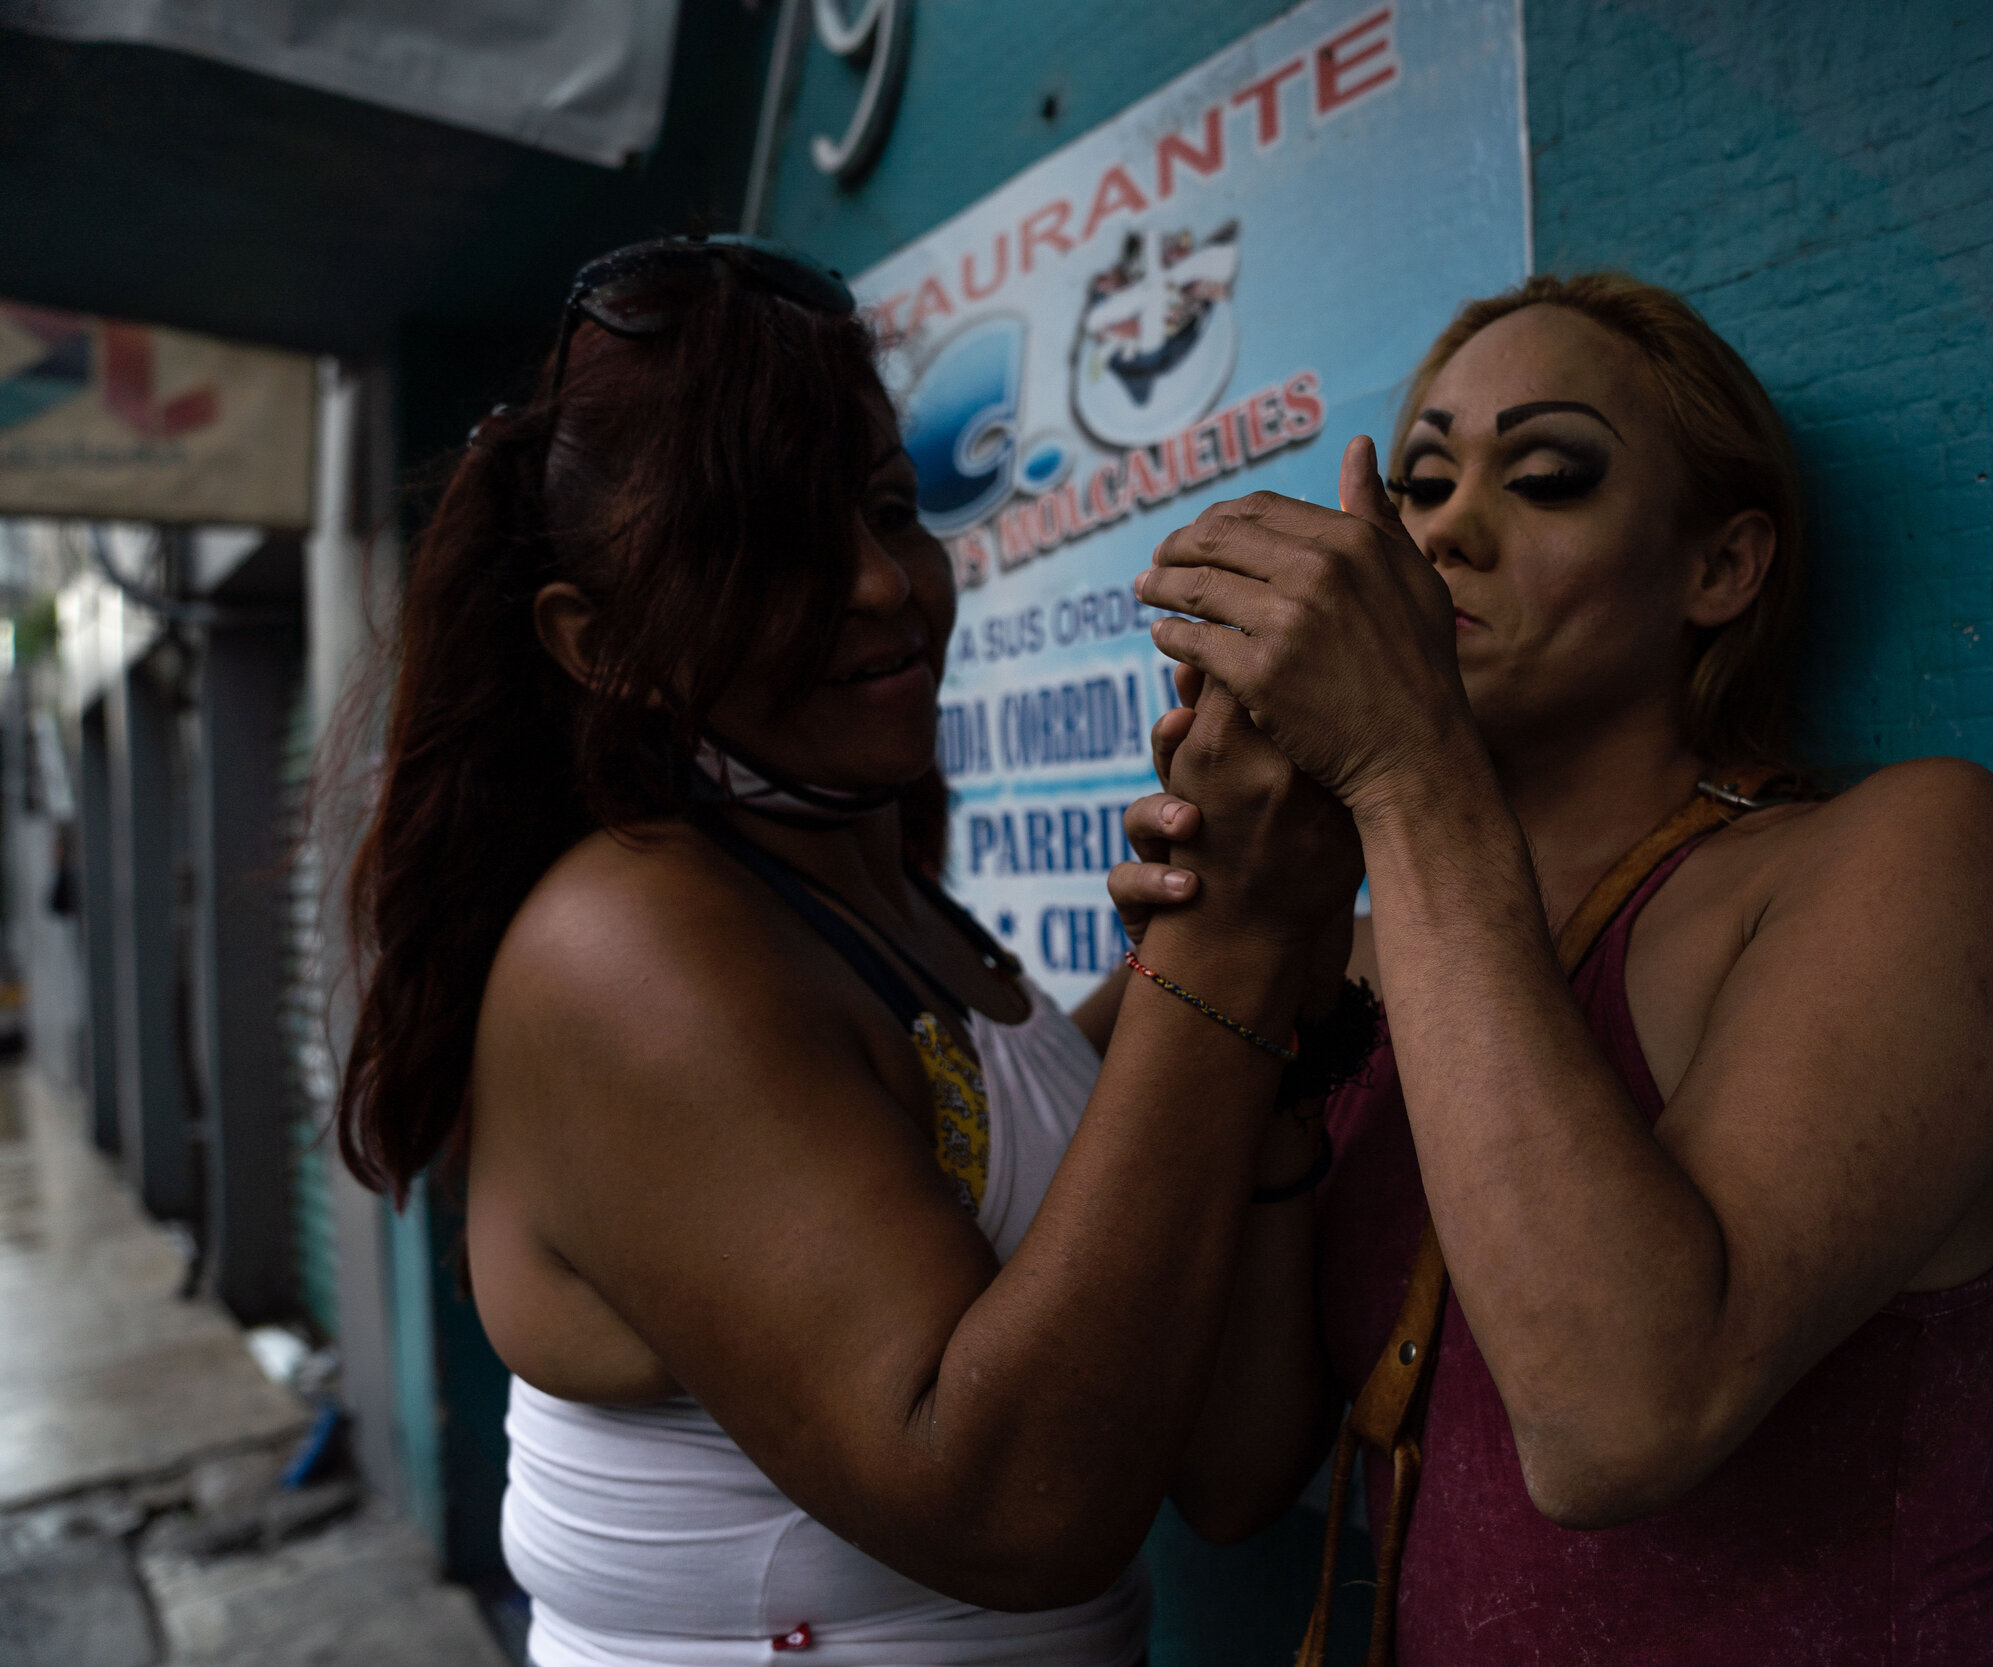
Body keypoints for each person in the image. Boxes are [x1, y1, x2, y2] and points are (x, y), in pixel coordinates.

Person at [335, 235, 1361, 1667]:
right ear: (597, 642)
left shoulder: (887, 914)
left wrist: (1274, 947)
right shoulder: (625, 947)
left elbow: (1233, 1474)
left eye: (889, 508)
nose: (880, 586)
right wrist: (1233, 945)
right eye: (762, 548)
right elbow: (1007, 1506)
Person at [1114, 273, 1993, 1662]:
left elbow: (1620, 1424)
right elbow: (1233, 1477)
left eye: (1547, 476)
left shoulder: (1902, 857)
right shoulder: (1366, 954)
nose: (1446, 532)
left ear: (1721, 569)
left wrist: (1403, 768)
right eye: (1423, 482)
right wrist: (1250, 951)